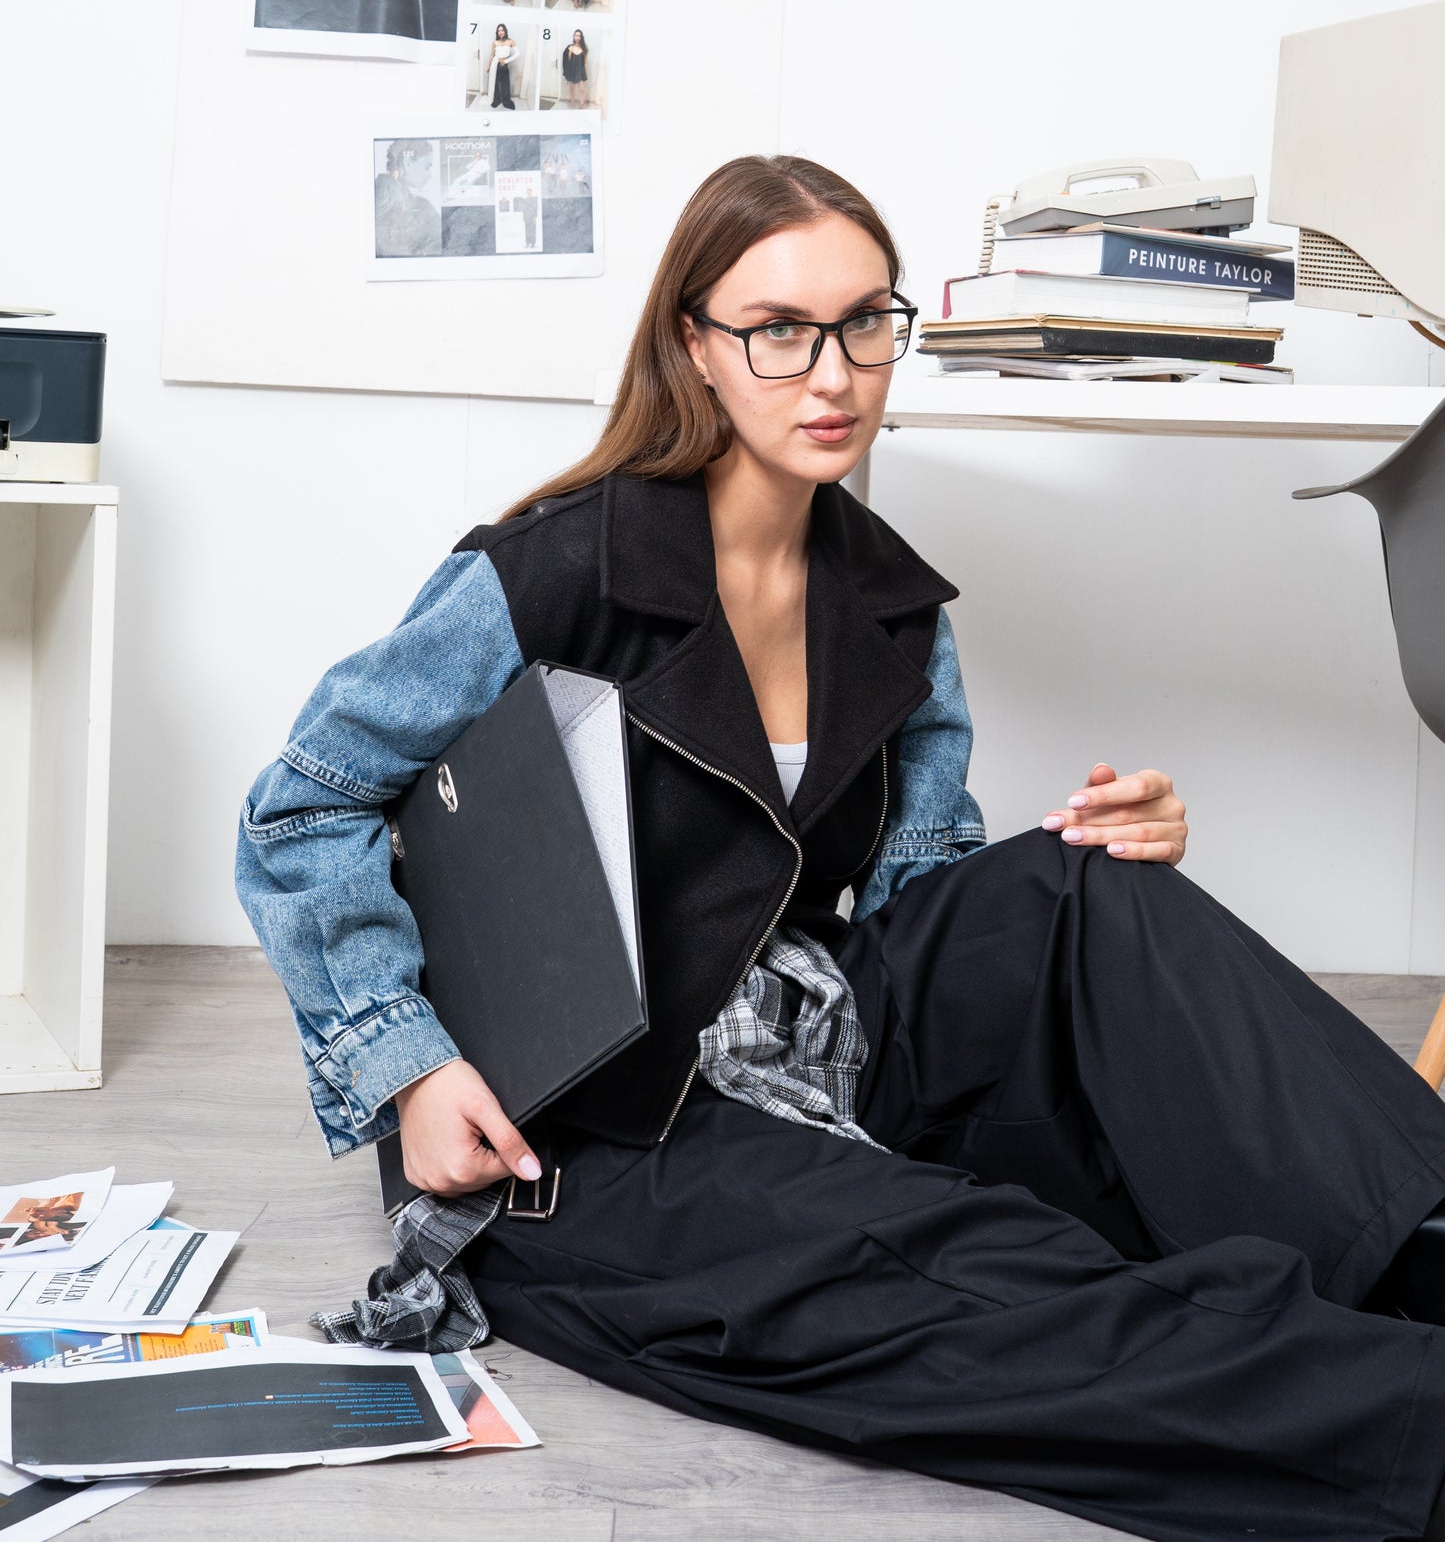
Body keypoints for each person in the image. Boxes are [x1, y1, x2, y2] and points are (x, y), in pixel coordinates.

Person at [237, 155, 1445, 1542]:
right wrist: (410, 1063)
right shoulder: (546, 570)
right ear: (694, 341)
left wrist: (1098, 850)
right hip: (594, 1114)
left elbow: (930, 895)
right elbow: (301, 806)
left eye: (866, 320)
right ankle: (1404, 1411)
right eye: (779, 328)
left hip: (817, 1035)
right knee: (987, 1279)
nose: (833, 371)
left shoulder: (894, 604)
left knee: (1083, 889)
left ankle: (1423, 1247)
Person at [372, 138, 440, 256]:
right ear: (408, 163)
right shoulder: (423, 207)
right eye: (427, 167)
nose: (430, 175)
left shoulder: (372, 195)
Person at [485, 24, 516, 109]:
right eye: (498, 31)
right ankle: (496, 99)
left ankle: (506, 100)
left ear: (505, 31)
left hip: (504, 64)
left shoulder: (510, 41)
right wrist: (488, 66)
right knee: (495, 82)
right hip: (495, 63)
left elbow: (518, 54)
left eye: (502, 30)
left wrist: (506, 61)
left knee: (504, 82)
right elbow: (492, 55)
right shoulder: (495, 42)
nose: (500, 32)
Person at [561, 29, 589, 108]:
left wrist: (585, 75)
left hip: (580, 70)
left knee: (581, 89)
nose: (577, 37)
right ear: (574, 36)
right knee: (571, 88)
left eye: (579, 36)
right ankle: (572, 102)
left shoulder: (584, 49)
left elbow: (585, 62)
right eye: (576, 35)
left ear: (581, 37)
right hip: (571, 70)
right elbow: (567, 61)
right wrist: (566, 72)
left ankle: (582, 104)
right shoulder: (569, 47)